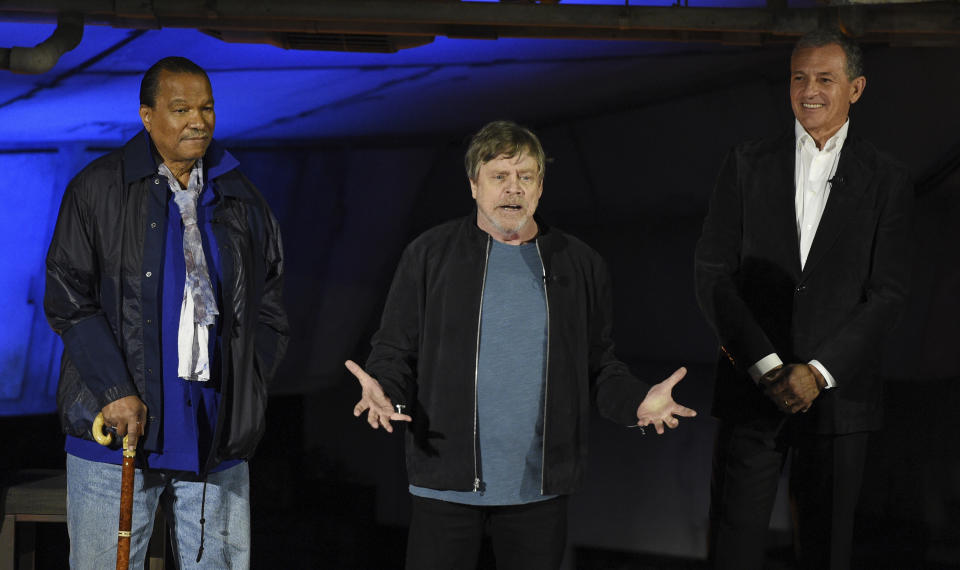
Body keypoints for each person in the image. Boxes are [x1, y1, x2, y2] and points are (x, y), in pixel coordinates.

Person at [344, 119, 697, 569]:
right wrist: (387, 391)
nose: (513, 189)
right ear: (474, 185)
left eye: (525, 177)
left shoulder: (580, 264)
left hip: (539, 488)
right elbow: (394, 350)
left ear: (540, 187)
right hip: (446, 481)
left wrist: (636, 403)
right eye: (499, 176)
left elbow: (598, 365)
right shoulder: (429, 255)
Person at [44, 56, 288, 569]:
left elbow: (269, 301)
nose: (198, 121)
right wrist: (115, 392)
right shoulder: (99, 189)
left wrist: (249, 384)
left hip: (213, 435)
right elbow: (68, 297)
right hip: (118, 435)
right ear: (147, 115)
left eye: (206, 108)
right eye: (180, 109)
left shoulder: (239, 193)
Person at [695, 29, 913, 570]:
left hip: (839, 401)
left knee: (827, 552)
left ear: (856, 88)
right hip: (753, 393)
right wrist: (767, 366)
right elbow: (712, 274)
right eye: (798, 78)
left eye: (824, 79)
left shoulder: (887, 178)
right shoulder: (745, 163)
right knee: (732, 548)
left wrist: (818, 371)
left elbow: (889, 293)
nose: (809, 90)